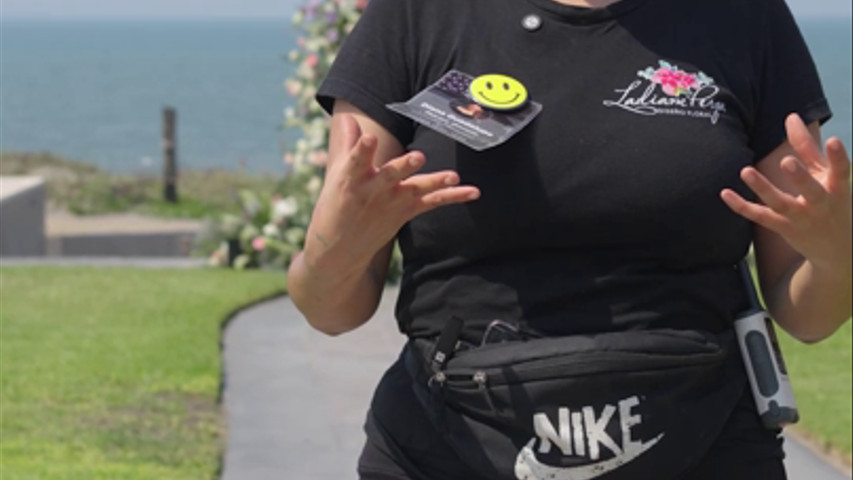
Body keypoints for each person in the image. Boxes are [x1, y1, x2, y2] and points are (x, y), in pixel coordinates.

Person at [286, 0, 852, 478]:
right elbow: (332, 308)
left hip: (701, 443)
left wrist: (837, 253)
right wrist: (333, 251)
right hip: (449, 444)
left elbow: (807, 315)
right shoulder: (416, 13)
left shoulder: (744, 17)